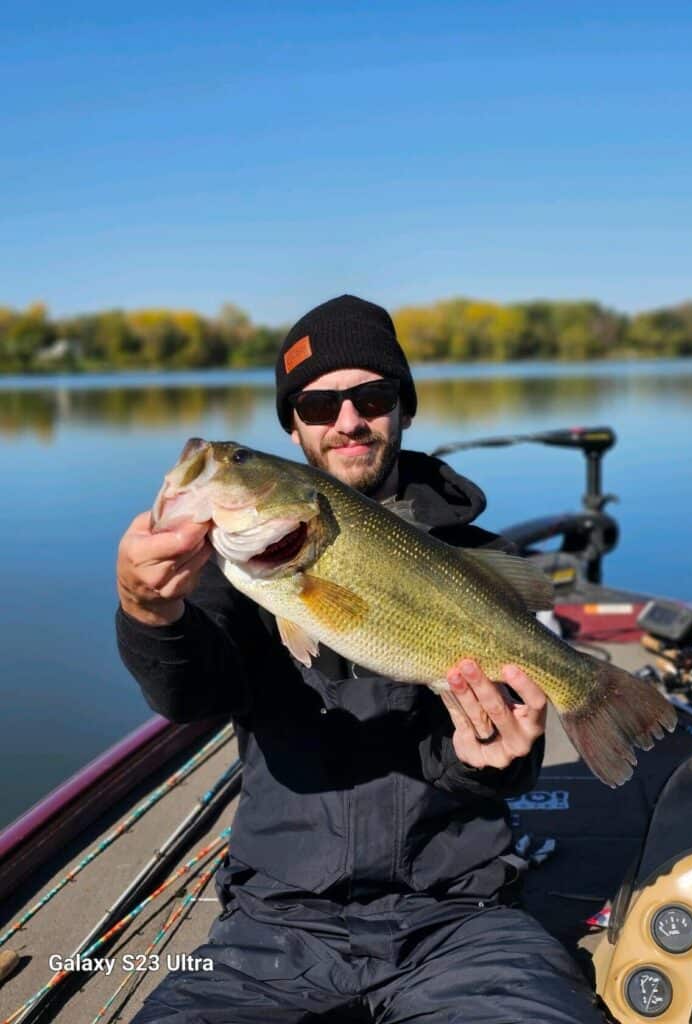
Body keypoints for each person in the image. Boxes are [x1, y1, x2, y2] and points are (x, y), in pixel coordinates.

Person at [116, 295, 604, 1023]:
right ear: (293, 426)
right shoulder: (229, 569)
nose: (347, 421)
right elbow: (192, 695)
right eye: (318, 405)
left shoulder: (481, 561)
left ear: (401, 408)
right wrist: (150, 613)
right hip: (271, 928)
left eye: (371, 397)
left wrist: (492, 758)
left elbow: (502, 766)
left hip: (461, 920)